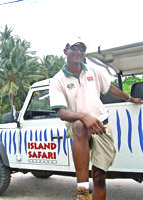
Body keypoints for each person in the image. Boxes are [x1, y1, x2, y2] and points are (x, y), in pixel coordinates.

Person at [49, 42, 143, 200]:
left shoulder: (93, 71)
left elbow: (109, 88)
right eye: (74, 48)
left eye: (82, 49)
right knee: (80, 125)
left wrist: (130, 98)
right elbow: (62, 112)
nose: (78, 52)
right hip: (78, 127)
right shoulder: (57, 80)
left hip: (101, 126)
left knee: (99, 176)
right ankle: (82, 191)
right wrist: (84, 116)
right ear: (65, 51)